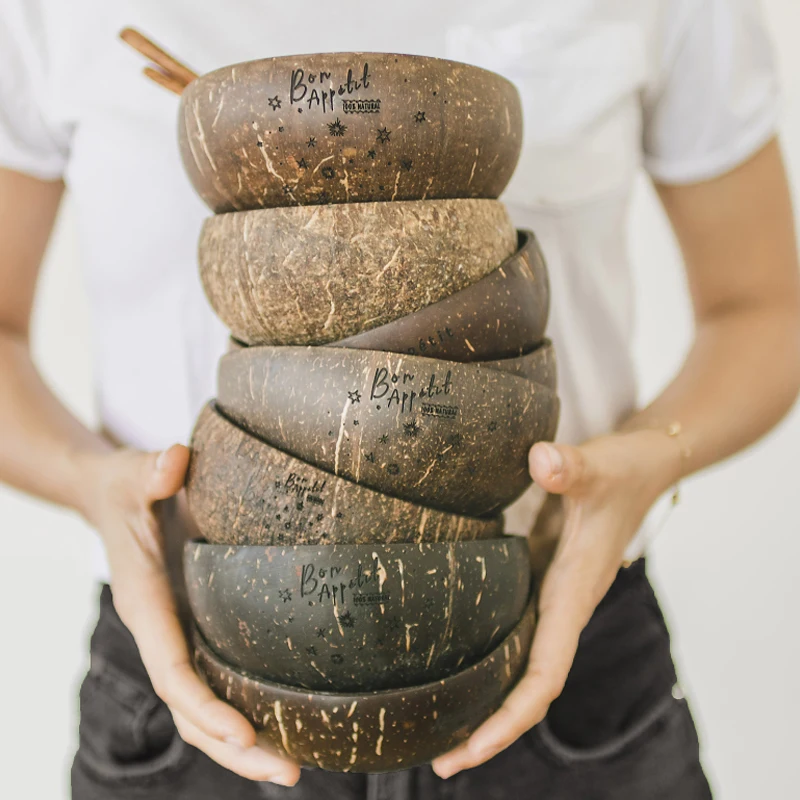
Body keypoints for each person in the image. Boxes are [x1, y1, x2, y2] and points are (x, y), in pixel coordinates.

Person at [1, 0, 798, 797]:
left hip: (566, 640)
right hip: (188, 655)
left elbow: (764, 308)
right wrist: (93, 487)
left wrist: (651, 461)